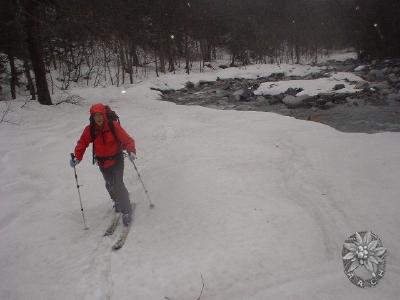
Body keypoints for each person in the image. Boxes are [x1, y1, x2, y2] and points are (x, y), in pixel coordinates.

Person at [70, 103, 136, 227]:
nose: (99, 118)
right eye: (96, 116)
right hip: (102, 162)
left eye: (100, 115)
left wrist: (131, 151)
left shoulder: (113, 126)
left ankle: (126, 211)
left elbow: (127, 140)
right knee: (109, 184)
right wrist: (77, 157)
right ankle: (116, 200)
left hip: (117, 159)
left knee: (118, 184)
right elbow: (82, 143)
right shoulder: (90, 130)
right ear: (92, 117)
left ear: (104, 115)